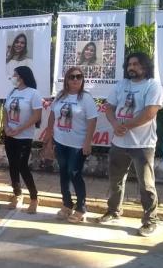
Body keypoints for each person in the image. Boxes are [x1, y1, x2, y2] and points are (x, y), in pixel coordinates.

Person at [96, 52, 163, 237]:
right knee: (115, 180)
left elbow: (150, 112)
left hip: (143, 144)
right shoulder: (122, 84)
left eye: (136, 64)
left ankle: (150, 220)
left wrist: (126, 126)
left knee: (146, 184)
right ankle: (113, 211)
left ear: (145, 66)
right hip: (119, 142)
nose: (131, 67)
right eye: (129, 64)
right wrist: (116, 125)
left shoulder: (153, 85)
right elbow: (109, 107)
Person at [44, 67, 97, 223]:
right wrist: (49, 136)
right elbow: (53, 114)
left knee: (74, 174)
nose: (75, 80)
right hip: (61, 142)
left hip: (77, 145)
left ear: (82, 80)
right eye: (72, 77)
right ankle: (67, 205)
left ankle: (81, 209)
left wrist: (87, 143)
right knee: (64, 174)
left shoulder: (86, 98)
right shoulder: (61, 96)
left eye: (79, 77)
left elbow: (92, 120)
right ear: (66, 79)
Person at [3, 66, 42, 213]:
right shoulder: (12, 92)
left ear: (22, 77)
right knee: (12, 165)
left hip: (24, 136)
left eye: (15, 75)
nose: (12, 77)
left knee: (22, 166)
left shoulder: (33, 93)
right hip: (9, 135)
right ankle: (17, 194)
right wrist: (6, 127)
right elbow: (5, 111)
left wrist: (20, 129)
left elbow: (37, 115)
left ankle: (34, 198)